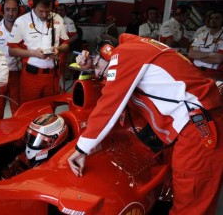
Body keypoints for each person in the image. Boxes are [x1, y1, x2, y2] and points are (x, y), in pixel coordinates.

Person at [68, 33, 223, 215]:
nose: (96, 72)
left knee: (191, 205)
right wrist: (92, 68)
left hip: (197, 129)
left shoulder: (125, 53)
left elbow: (111, 102)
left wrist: (82, 149)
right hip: (190, 125)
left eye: (96, 65)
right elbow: (120, 86)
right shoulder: (138, 49)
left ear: (107, 52)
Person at [8, 0, 69, 104]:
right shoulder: (22, 21)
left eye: (48, 10)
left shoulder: (58, 19)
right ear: (32, 5)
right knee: (28, 110)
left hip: (52, 76)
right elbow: (12, 50)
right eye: (41, 11)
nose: (45, 14)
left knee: (49, 111)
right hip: (31, 77)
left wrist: (58, 49)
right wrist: (32, 53)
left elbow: (66, 44)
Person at [2, 113, 69, 178]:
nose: (31, 143)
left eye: (41, 141)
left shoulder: (59, 166)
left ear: (56, 140)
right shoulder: (22, 158)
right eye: (31, 138)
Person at [0, 0, 22, 114]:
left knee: (18, 108)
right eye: (7, 9)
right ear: (1, 10)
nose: (10, 13)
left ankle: (17, 131)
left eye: (14, 10)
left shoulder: (24, 28)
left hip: (18, 75)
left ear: (19, 11)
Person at [188, 11, 223, 80]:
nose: (213, 20)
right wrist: (211, 54)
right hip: (195, 70)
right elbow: (191, 54)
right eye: (212, 18)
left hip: (213, 73)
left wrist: (198, 56)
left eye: (217, 18)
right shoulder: (201, 35)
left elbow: (218, 59)